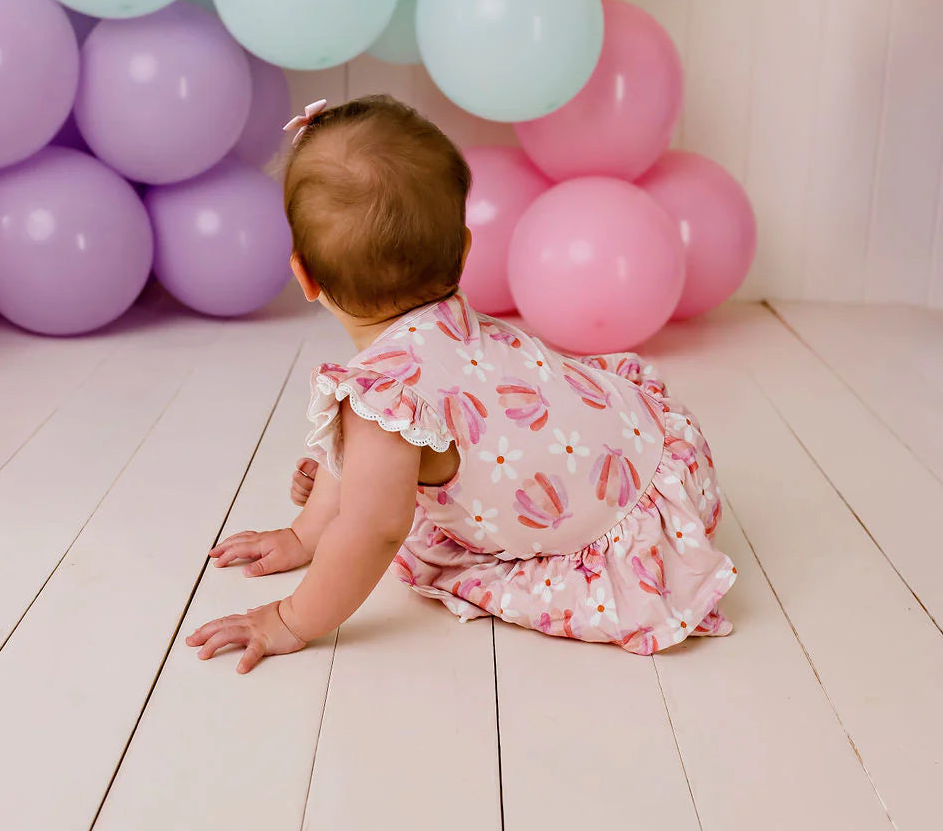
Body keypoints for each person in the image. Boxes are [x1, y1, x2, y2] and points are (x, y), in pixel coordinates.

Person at [186, 95, 736, 674]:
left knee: (385, 493)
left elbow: (373, 528)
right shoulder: (440, 340)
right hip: (666, 463)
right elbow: (353, 459)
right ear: (464, 251)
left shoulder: (385, 401)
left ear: (305, 276)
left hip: (632, 542)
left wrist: (290, 619)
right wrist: (304, 536)